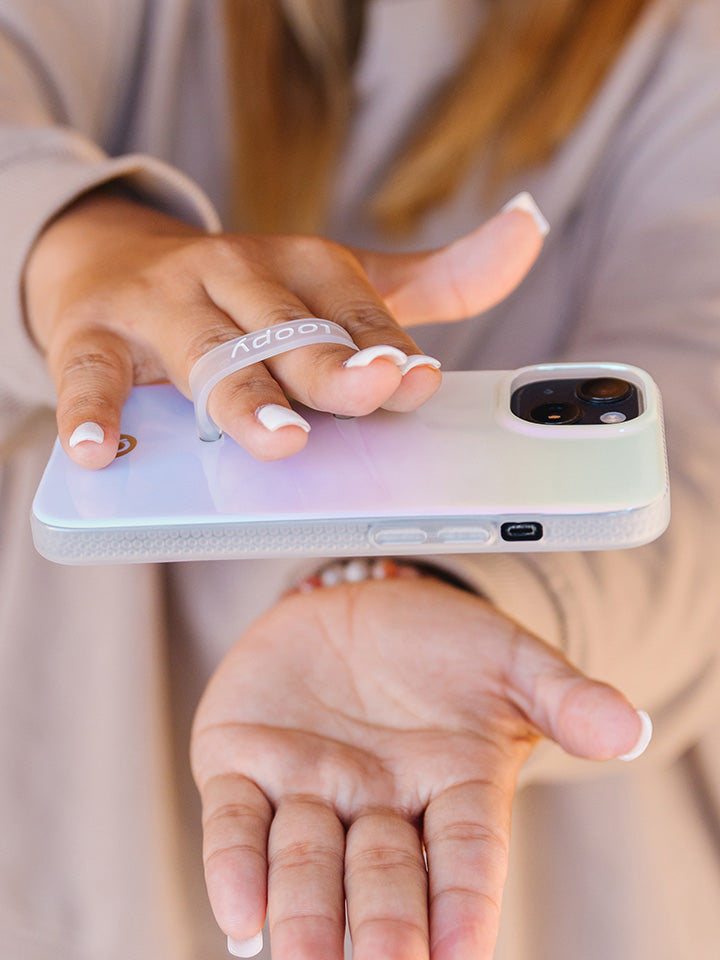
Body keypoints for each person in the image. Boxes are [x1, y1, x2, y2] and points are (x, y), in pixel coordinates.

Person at [1, 1, 719, 959]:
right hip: (94, 808)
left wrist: (445, 584)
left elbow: (701, 421)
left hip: (549, 863)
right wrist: (72, 245)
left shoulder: (682, 51)